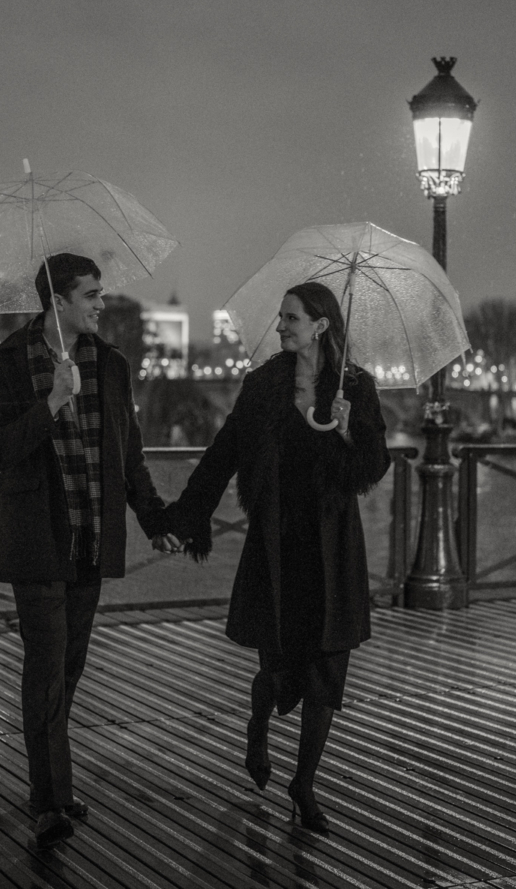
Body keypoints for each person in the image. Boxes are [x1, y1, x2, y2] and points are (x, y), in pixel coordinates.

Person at [164, 281, 391, 834]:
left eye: (291, 317)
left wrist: (345, 433)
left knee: (326, 667)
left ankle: (304, 785)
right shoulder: (264, 384)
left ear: (320, 325)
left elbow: (375, 463)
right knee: (277, 664)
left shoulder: (354, 386)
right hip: (278, 541)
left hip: (332, 545)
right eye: (282, 317)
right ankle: (258, 727)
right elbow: (225, 452)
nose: (282, 325)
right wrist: (185, 515)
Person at [0, 252, 180, 849]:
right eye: (90, 294)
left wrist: (151, 517)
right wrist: (50, 405)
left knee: (68, 670)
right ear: (57, 302)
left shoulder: (112, 365)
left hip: (91, 537)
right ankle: (46, 801)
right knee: (45, 669)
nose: (100, 303)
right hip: (38, 538)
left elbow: (128, 454)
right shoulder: (5, 364)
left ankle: (57, 787)